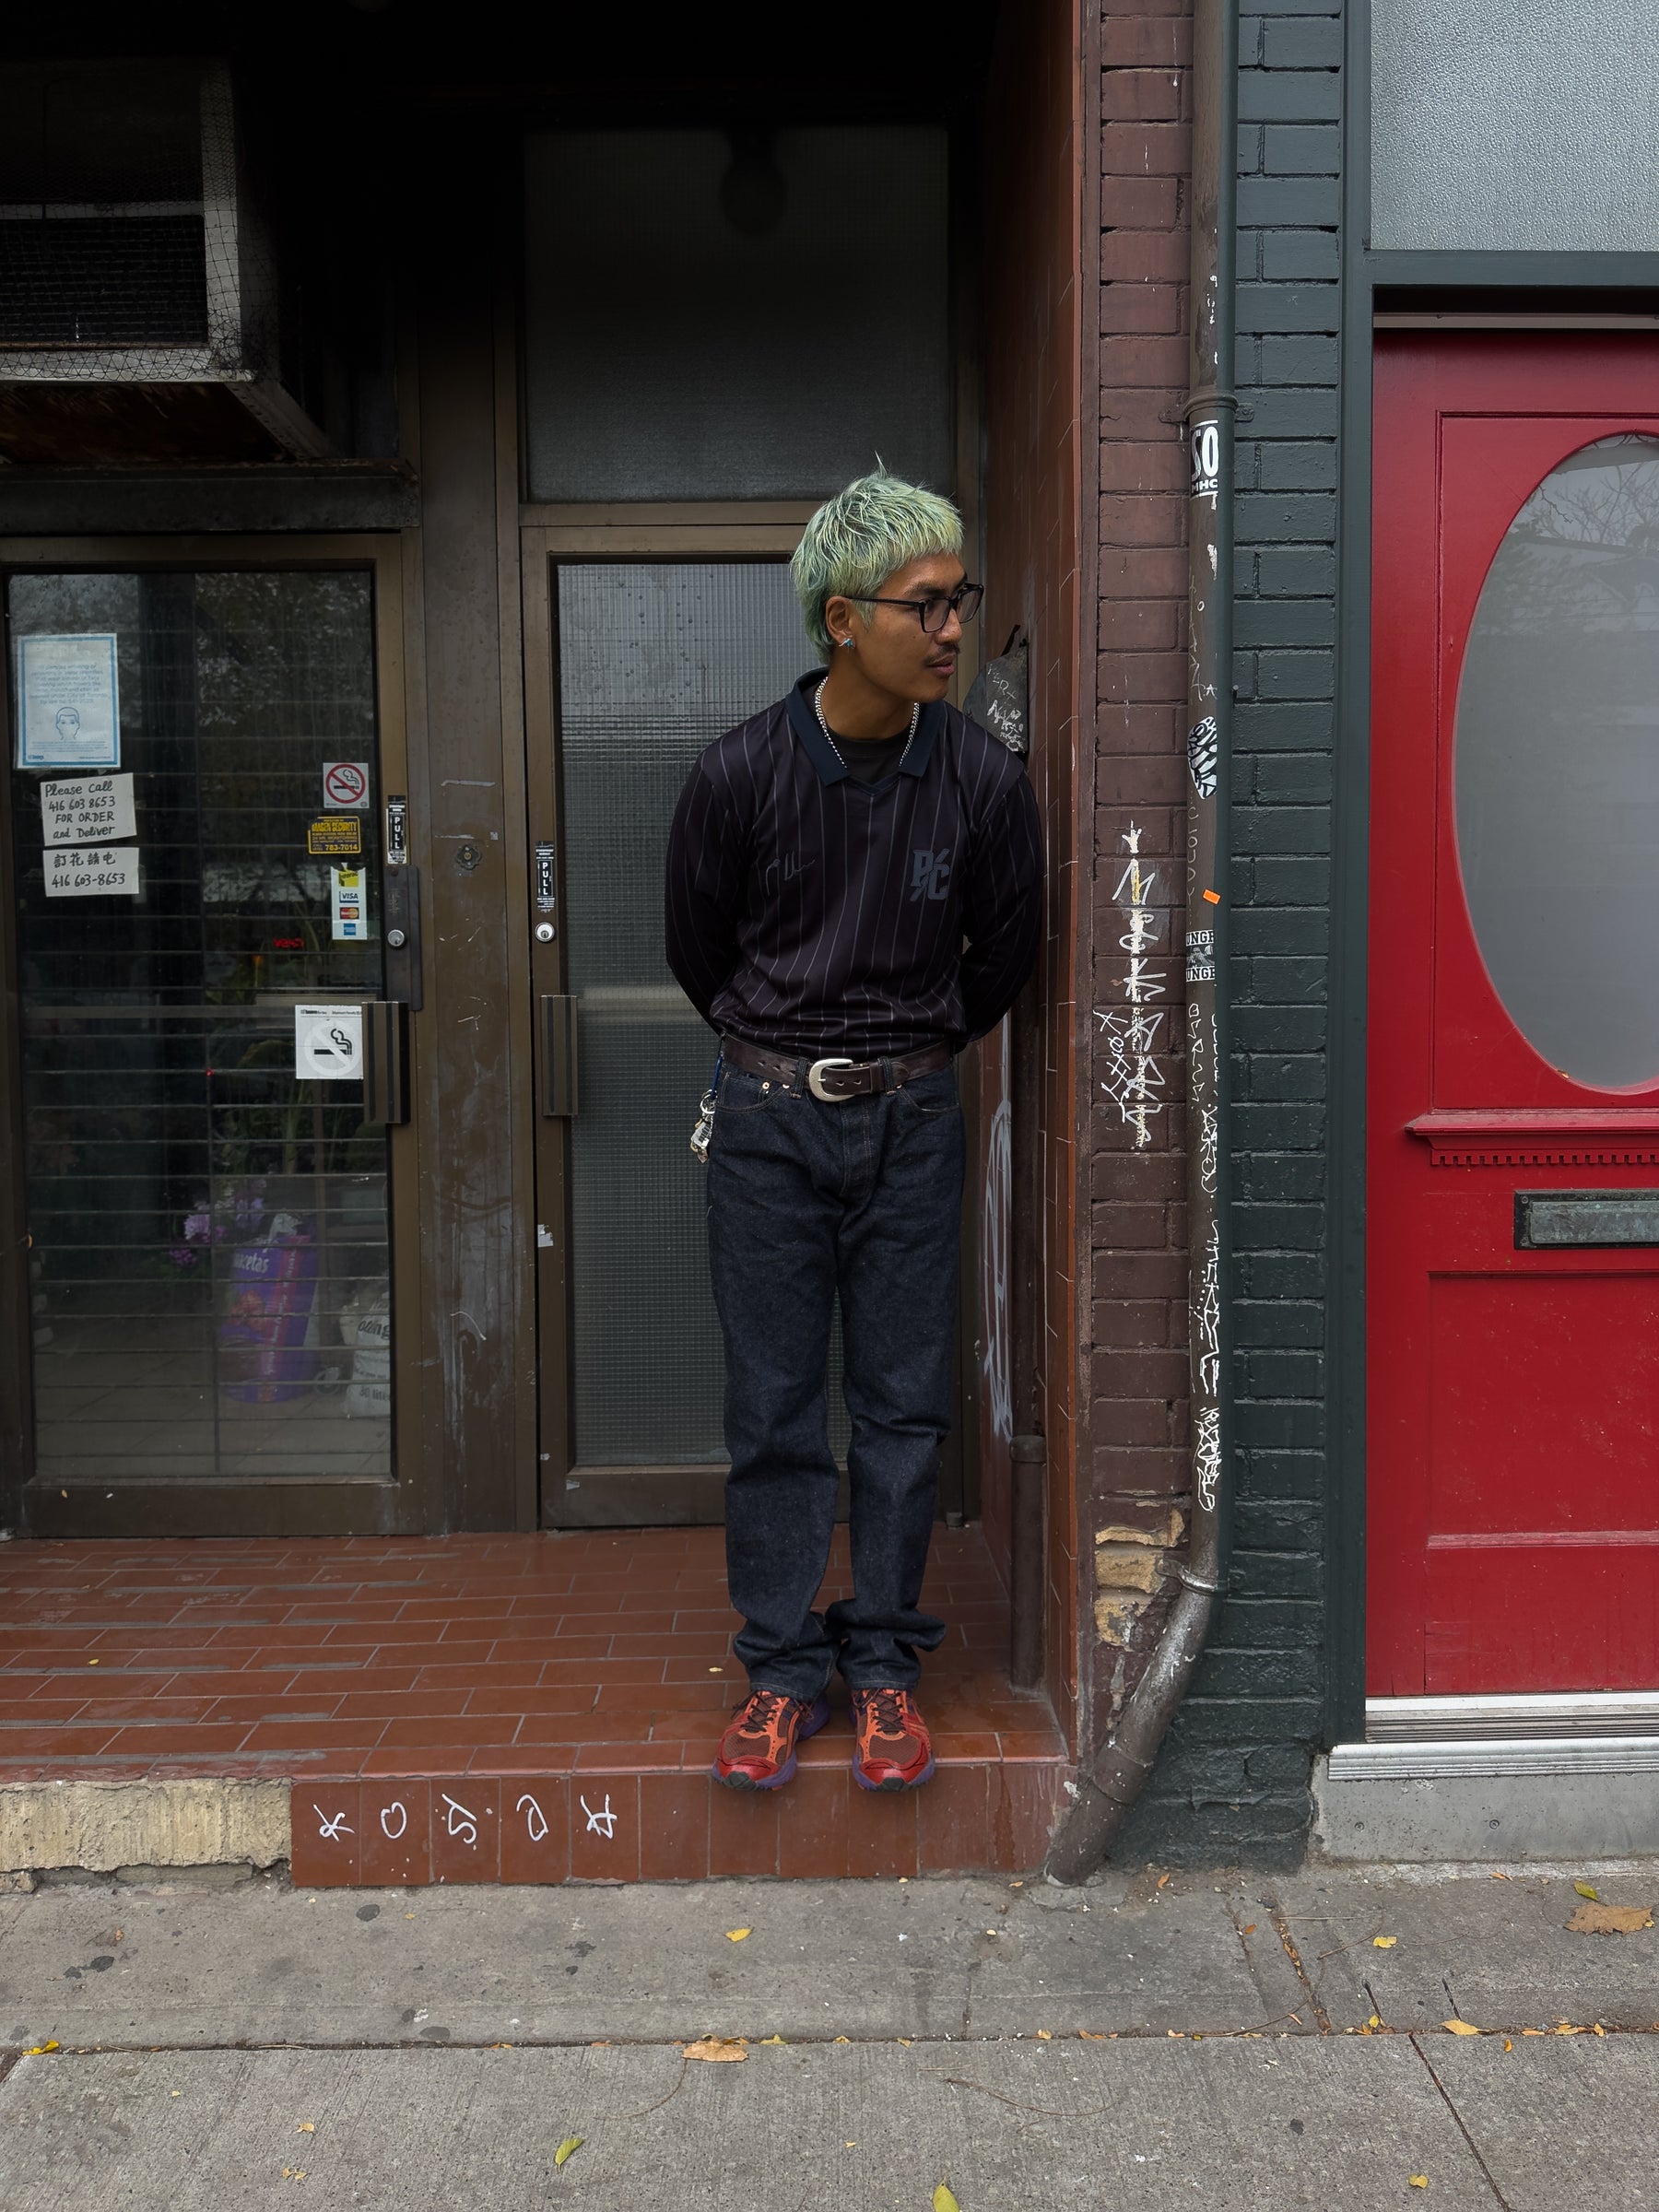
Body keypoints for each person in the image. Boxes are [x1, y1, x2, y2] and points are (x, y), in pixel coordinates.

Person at [665, 470, 1043, 1794]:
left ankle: (881, 1661)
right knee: (772, 1410)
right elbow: (696, 953)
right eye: (926, 605)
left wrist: (907, 1054)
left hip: (913, 1122)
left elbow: (1004, 957)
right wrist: (790, 1055)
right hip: (768, 1122)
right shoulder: (739, 776)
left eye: (961, 600)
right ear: (842, 618)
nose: (952, 627)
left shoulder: (984, 784)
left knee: (899, 1409)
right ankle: (779, 1667)